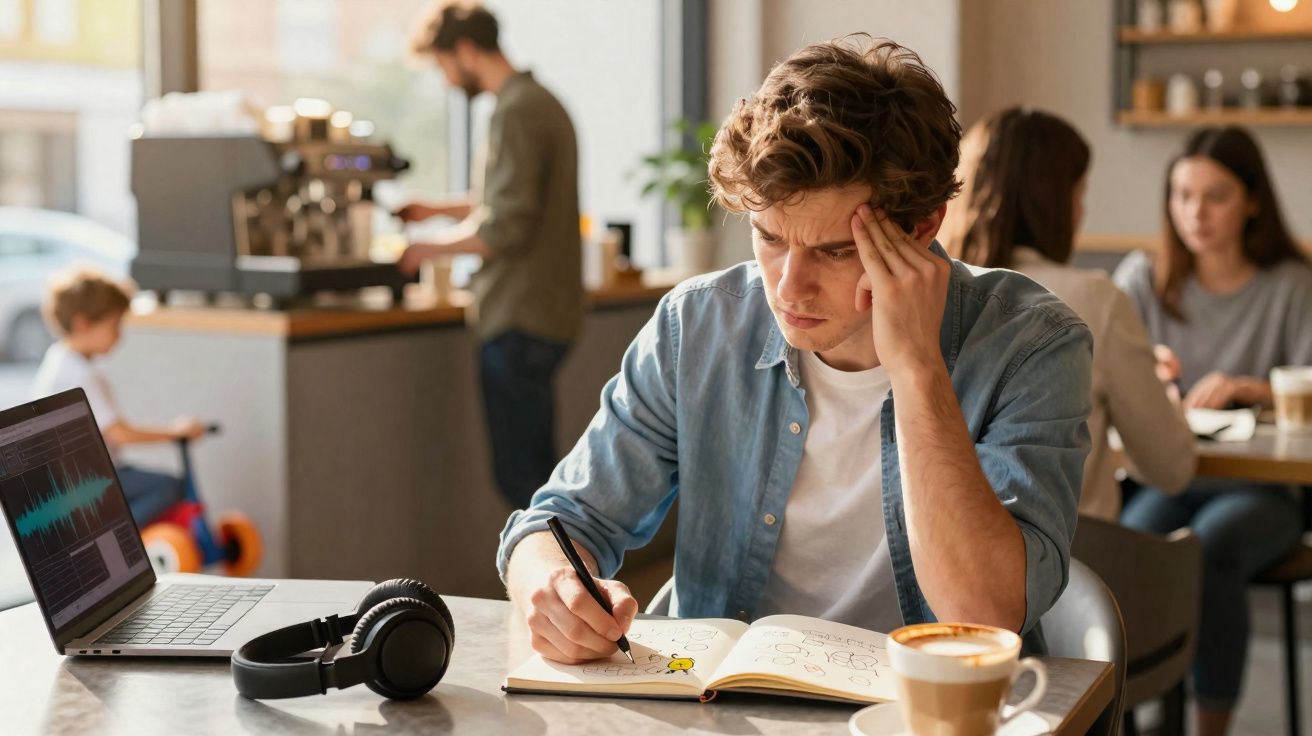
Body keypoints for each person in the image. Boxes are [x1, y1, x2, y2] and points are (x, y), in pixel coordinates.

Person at [497, 35, 1093, 665]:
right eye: (770, 237)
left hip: (925, 711)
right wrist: (553, 586)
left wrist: (918, 366)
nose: (788, 287)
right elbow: (561, 521)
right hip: (722, 706)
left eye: (835, 250)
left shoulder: (1032, 344)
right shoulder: (698, 324)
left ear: (923, 227)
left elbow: (981, 616)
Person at [1114, 126, 1312, 736]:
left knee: (1209, 548)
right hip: (1168, 474)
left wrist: (1248, 388)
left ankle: (1210, 729)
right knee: (1138, 542)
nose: (1195, 213)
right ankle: (1141, 715)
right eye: (1183, 195)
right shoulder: (1144, 279)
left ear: (1253, 200)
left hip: (1265, 491)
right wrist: (1147, 375)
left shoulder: (1292, 283)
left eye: (1216, 196)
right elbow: (1101, 367)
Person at [944, 107, 1195, 521]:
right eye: (1079, 194)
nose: (1083, 213)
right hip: (1075, 570)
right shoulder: (1095, 300)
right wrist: (1167, 398)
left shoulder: (933, 294)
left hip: (942, 562)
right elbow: (1171, 467)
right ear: (1054, 204)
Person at [398, 1, 584, 511]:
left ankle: (553, 584)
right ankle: (563, 581)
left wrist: (424, 249)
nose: (445, 80)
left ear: (464, 50)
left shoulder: (516, 111)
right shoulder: (538, 101)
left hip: (517, 316)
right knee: (537, 473)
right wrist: (434, 210)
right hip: (545, 314)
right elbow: (505, 199)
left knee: (522, 479)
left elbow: (505, 224)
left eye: (441, 65)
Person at [31, 268, 206, 527]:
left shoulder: (59, 358)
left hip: (71, 478)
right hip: (87, 480)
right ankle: (117, 534)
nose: (119, 335)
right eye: (114, 325)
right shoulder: (81, 376)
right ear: (83, 323)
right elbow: (118, 433)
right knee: (168, 487)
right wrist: (175, 433)